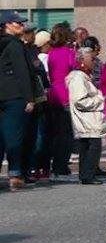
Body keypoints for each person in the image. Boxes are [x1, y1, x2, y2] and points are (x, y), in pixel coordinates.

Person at [0, 11, 36, 190]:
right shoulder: (15, 45)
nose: (22, 26)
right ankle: (15, 175)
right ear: (7, 25)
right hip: (14, 95)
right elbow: (22, 72)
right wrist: (29, 98)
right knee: (14, 136)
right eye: (18, 23)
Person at [66, 47, 106, 185]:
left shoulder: (85, 77)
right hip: (87, 119)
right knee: (92, 147)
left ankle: (86, 174)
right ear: (82, 60)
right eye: (91, 59)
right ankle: (88, 175)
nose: (94, 62)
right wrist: (100, 100)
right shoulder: (78, 78)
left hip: (89, 118)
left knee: (88, 146)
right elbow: (80, 101)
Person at [44, 24, 78, 182]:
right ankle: (61, 165)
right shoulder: (69, 53)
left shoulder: (51, 53)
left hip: (53, 92)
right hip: (66, 92)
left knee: (56, 132)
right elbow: (75, 69)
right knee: (66, 133)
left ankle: (56, 164)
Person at [30, 29, 52, 180]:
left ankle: (36, 167)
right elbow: (44, 80)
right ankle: (38, 166)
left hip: (36, 100)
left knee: (38, 135)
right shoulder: (39, 59)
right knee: (40, 135)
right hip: (38, 100)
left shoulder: (35, 57)